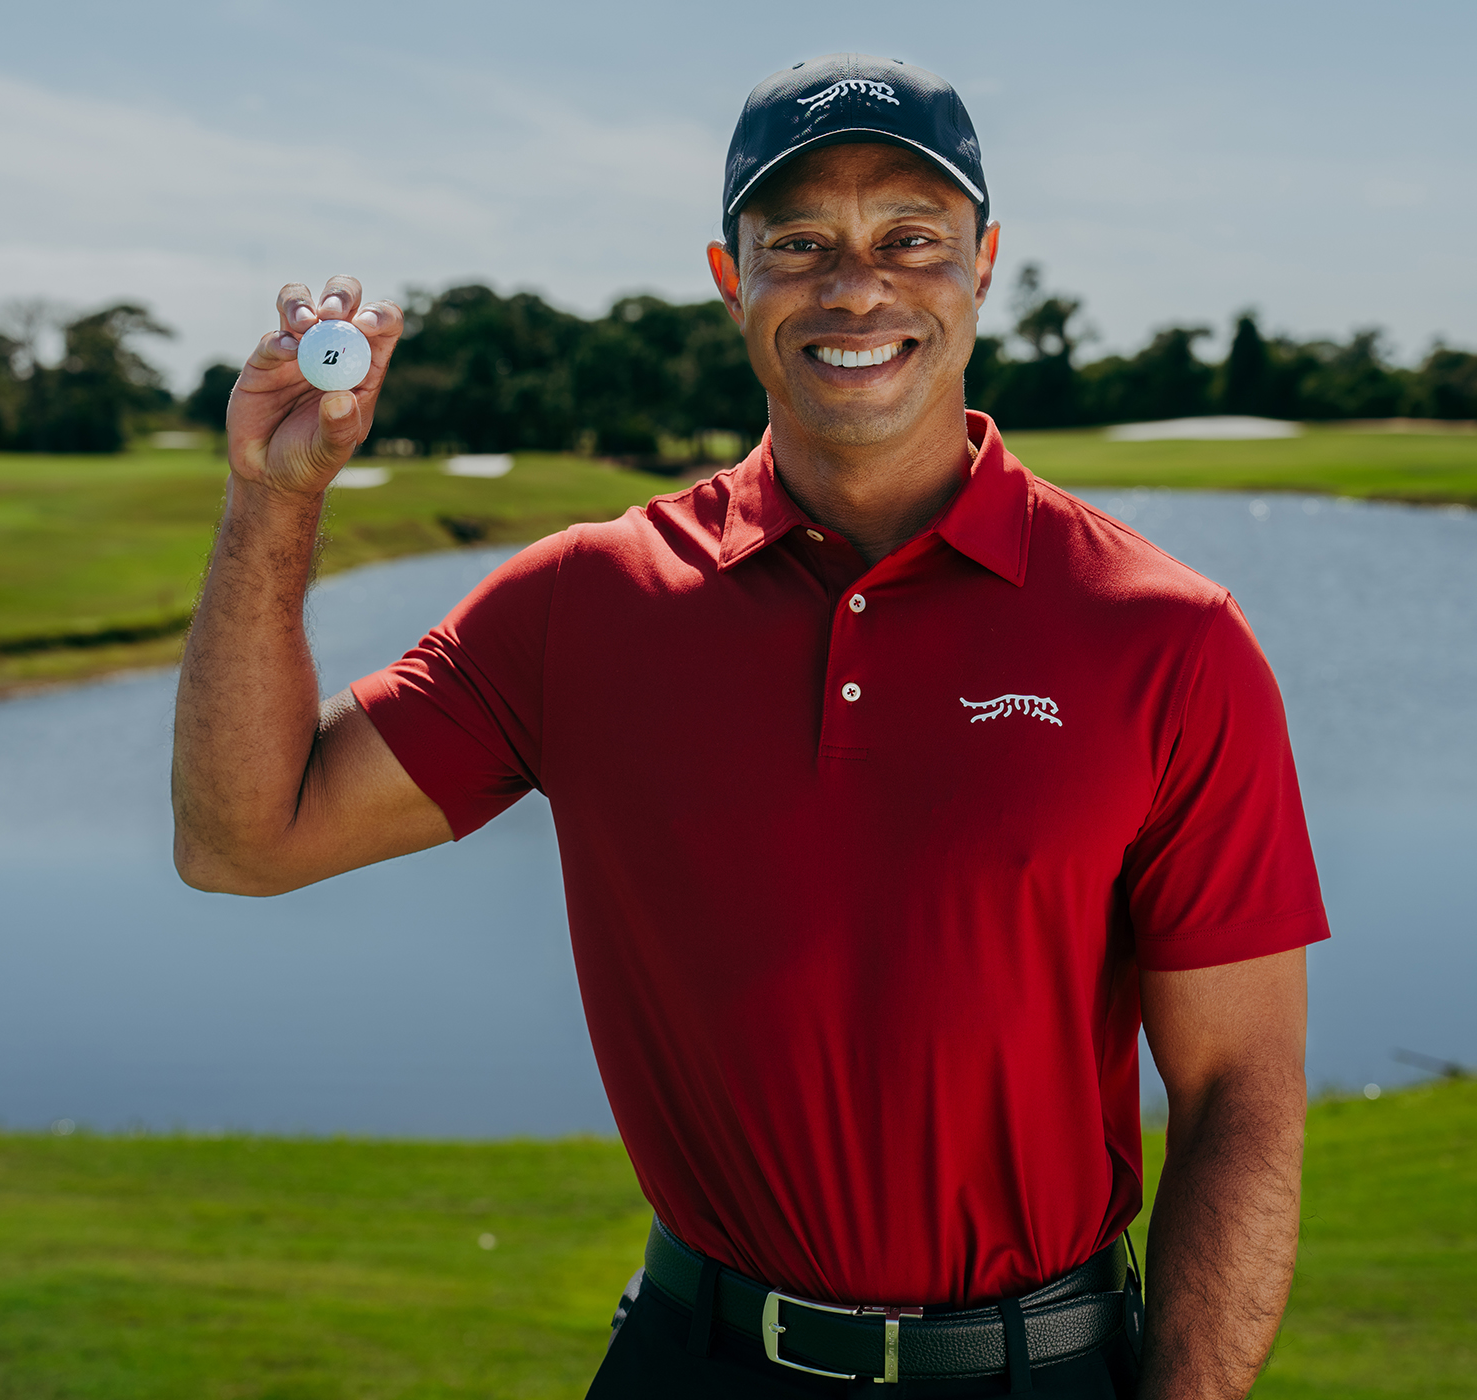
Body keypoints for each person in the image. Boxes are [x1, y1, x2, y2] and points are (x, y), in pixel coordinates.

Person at [171, 53, 1327, 1400]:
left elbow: (1241, 1088)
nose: (857, 289)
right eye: (800, 244)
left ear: (982, 265)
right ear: (733, 277)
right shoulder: (585, 605)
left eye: (910, 239)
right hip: (695, 1361)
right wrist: (274, 498)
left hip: (1039, 1371)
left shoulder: (1169, 638)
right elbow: (243, 840)